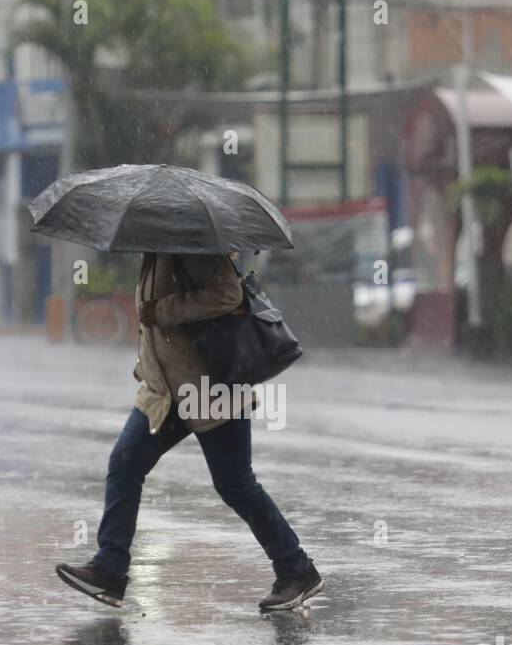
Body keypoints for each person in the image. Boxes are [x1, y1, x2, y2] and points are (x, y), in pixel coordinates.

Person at [56, 251, 322, 612]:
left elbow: (227, 295)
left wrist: (163, 310)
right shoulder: (155, 250)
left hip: (208, 388)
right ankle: (109, 570)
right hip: (164, 391)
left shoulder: (194, 247)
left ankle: (297, 570)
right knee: (125, 462)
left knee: (235, 485)